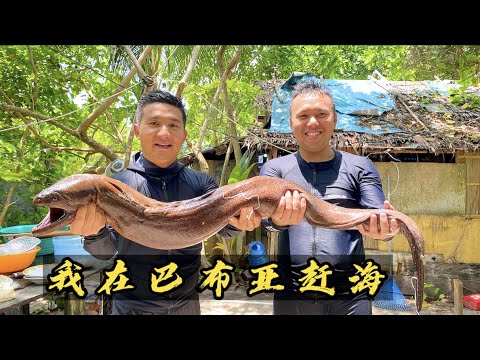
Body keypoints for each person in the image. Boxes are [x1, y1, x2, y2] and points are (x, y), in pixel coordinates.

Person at [69, 89, 261, 315]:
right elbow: (105, 251)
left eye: (173, 125)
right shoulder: (115, 184)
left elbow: (225, 228)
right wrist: (93, 234)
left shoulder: (201, 183)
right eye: (154, 123)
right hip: (132, 307)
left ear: (184, 135)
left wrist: (239, 221)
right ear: (137, 131)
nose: (164, 133)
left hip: (186, 305)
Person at [260, 80, 400, 315]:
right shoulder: (276, 169)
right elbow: (265, 222)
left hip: (351, 297)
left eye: (322, 114)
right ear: (291, 122)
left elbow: (377, 214)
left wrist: (386, 230)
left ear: (335, 119)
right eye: (303, 115)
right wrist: (277, 222)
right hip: (291, 296)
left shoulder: (359, 166)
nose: (312, 122)